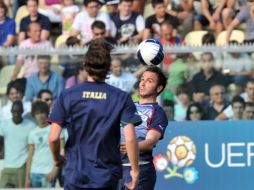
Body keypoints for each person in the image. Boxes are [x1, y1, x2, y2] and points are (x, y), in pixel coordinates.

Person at [48, 39, 141, 190]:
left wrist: (57, 160)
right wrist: (135, 172)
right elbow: (130, 139)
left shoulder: (68, 95)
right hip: (107, 176)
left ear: (85, 65)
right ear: (108, 67)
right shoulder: (121, 97)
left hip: (75, 175)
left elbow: (53, 137)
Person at [118, 66, 168, 190]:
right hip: (116, 169)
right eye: (142, 79)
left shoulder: (157, 112)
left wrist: (132, 146)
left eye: (149, 81)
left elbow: (151, 142)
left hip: (141, 170)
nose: (143, 83)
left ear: (159, 88)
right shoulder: (127, 106)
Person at [0, 101, 35, 188]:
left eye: (18, 111)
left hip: (21, 167)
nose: (16, 114)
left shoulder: (31, 126)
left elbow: (34, 145)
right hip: (7, 167)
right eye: (14, 111)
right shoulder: (4, 125)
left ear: (22, 111)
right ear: (11, 111)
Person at [25, 101, 60, 188]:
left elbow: (61, 151)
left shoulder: (54, 129)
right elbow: (30, 156)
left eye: (42, 113)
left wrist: (54, 170)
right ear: (34, 115)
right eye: (37, 113)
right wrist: (27, 177)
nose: (40, 116)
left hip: (48, 173)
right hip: (34, 173)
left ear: (47, 113)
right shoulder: (32, 133)